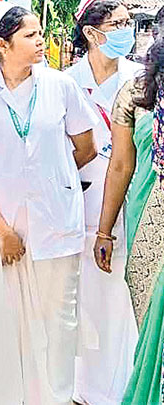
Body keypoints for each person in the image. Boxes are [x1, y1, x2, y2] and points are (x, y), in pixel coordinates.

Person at [0, 6, 98, 404]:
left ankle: (56, 398)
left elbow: (86, 147)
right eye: (30, 35)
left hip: (54, 225)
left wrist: (51, 179)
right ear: (2, 44)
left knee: (59, 322)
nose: (41, 41)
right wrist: (3, 229)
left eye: (40, 33)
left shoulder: (61, 86)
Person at [66, 0, 140, 405]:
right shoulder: (66, 83)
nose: (128, 31)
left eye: (129, 22)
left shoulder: (140, 79)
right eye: (118, 24)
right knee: (81, 297)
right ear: (92, 34)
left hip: (128, 199)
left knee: (120, 296)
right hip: (80, 198)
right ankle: (83, 386)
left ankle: (124, 384)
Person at [94, 39, 164, 405]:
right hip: (148, 216)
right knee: (153, 319)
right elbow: (121, 165)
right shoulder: (136, 92)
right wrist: (104, 230)